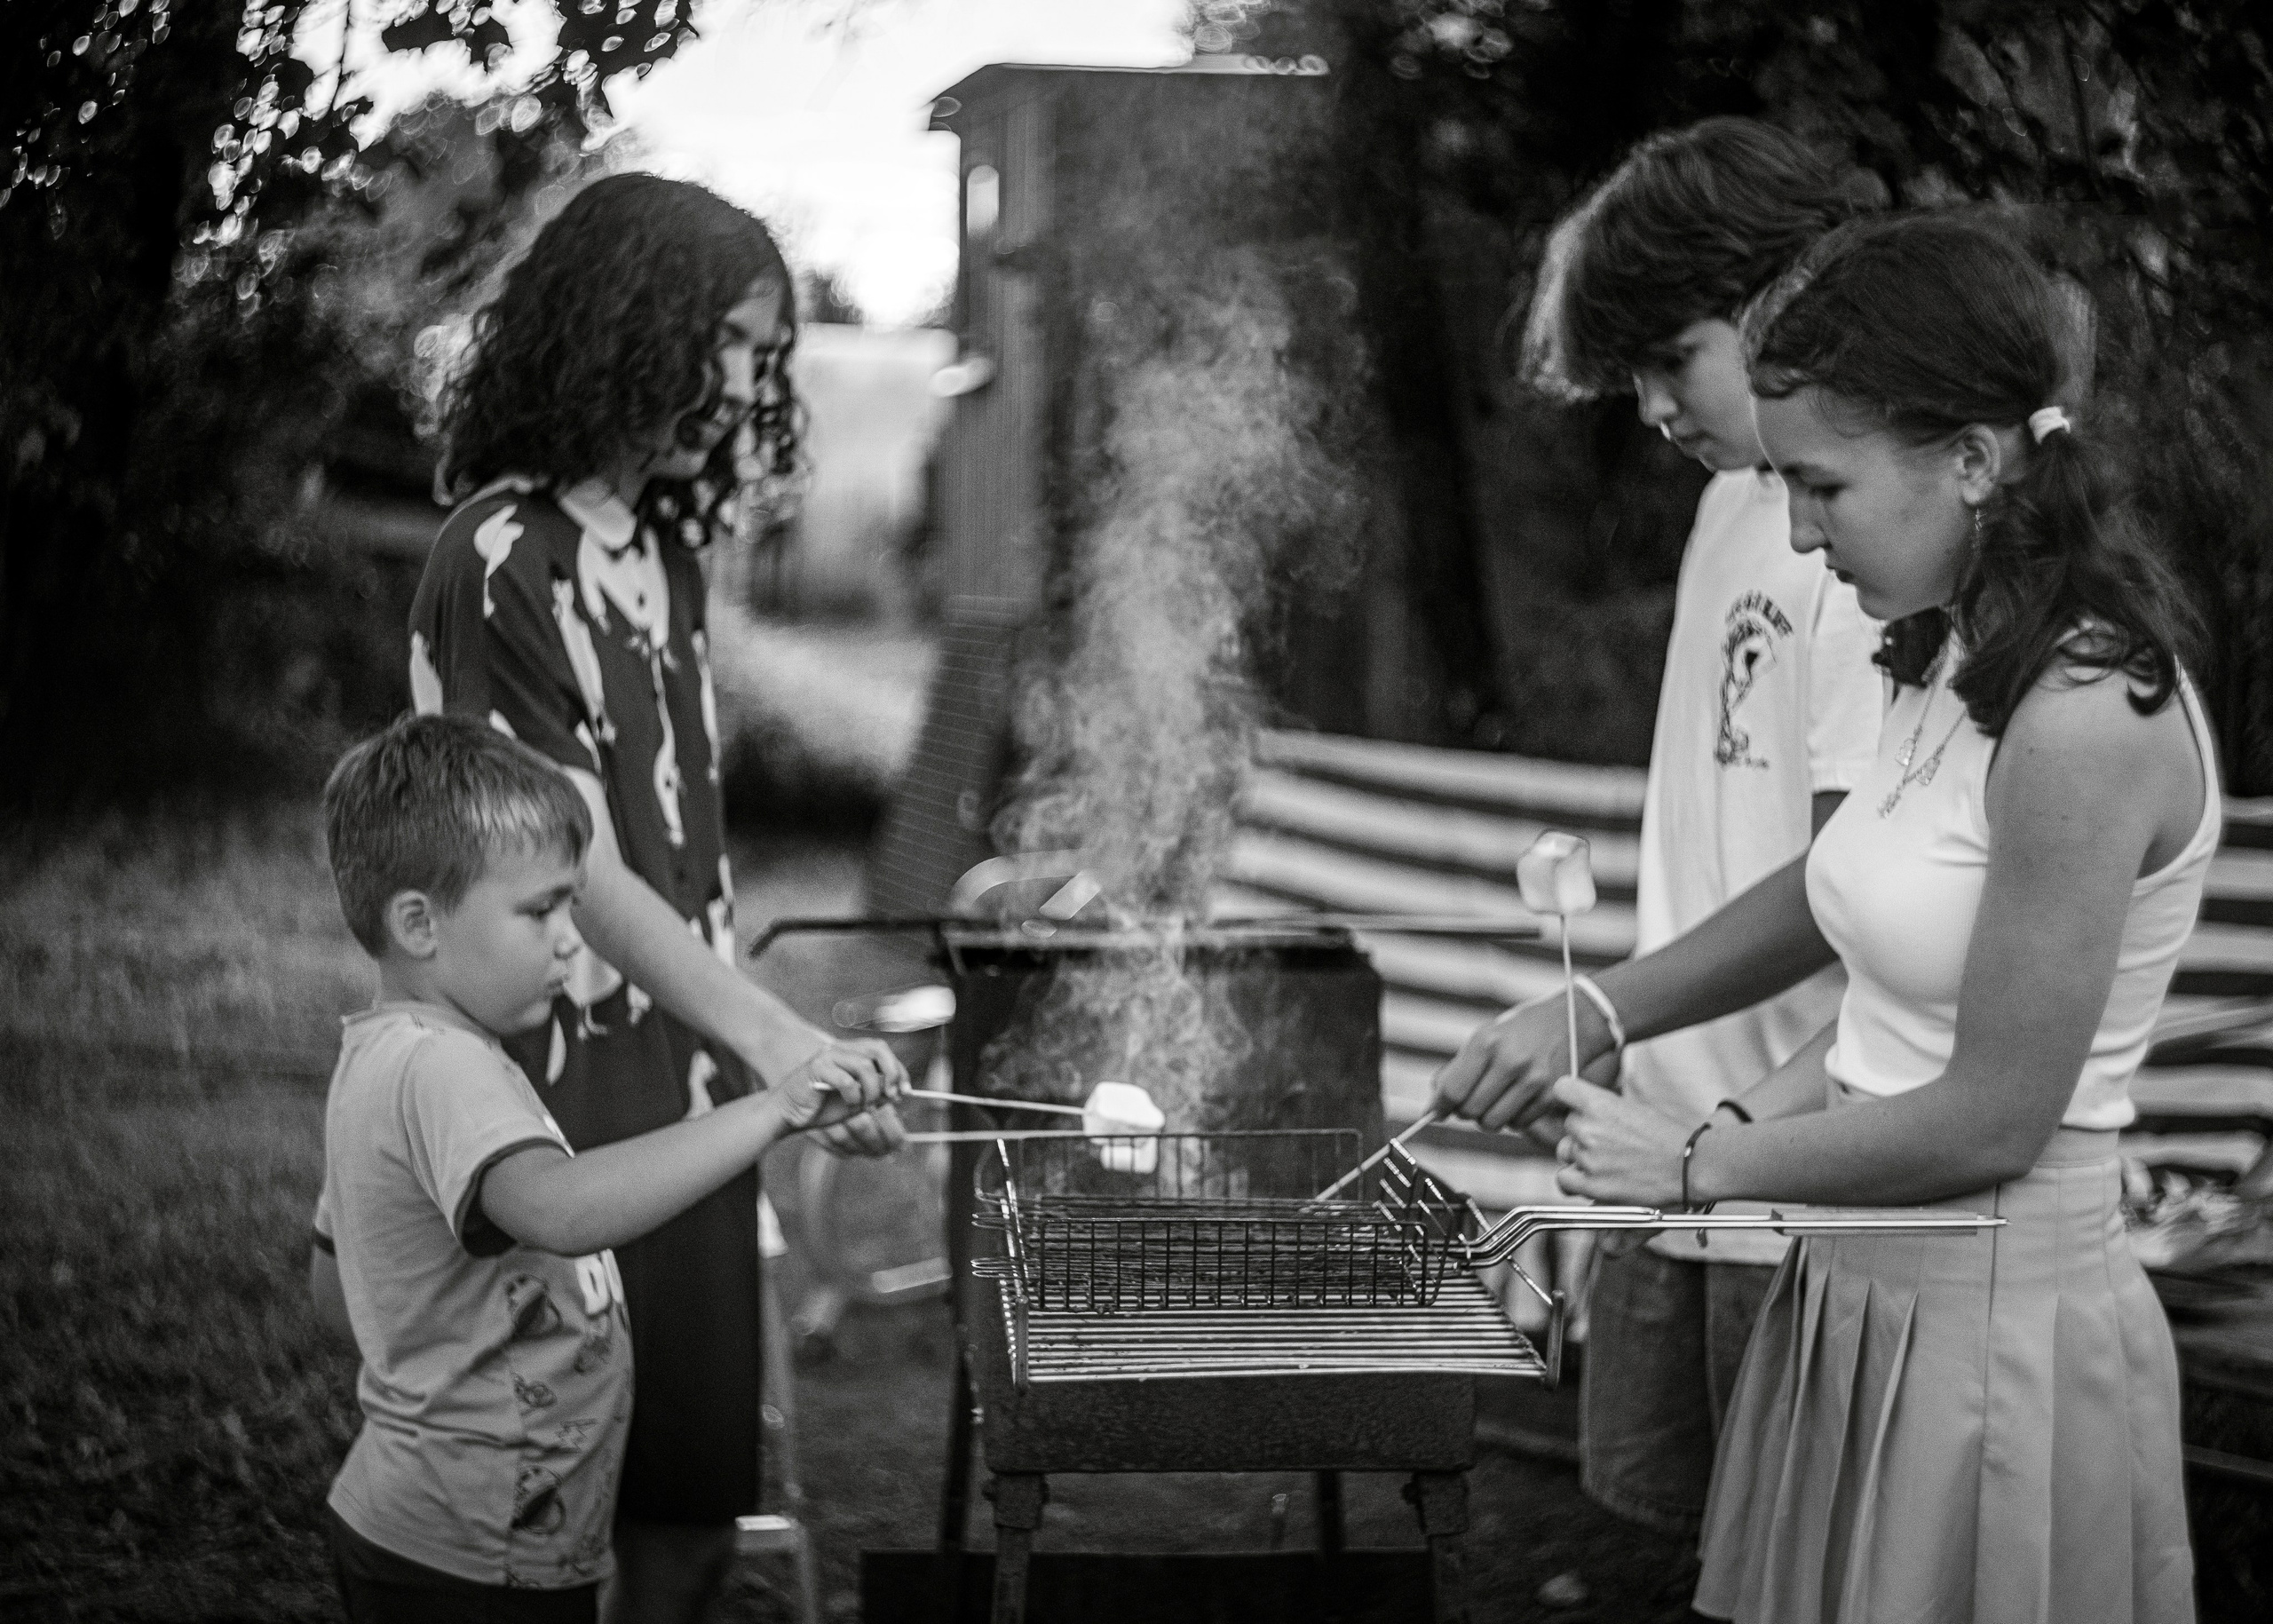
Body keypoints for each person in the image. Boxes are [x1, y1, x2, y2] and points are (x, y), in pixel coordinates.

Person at [1552, 213, 2210, 1623]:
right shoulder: (1949, 653)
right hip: (1853, 1301)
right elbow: (1883, 1016)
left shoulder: (2086, 717)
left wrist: (1692, 1168)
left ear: (1973, 460)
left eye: (1825, 489)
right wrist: (1718, 1125)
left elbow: (1991, 1118)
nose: (1797, 531)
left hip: (1993, 1343)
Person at [408, 173, 908, 1622]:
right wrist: (784, 1042)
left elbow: (688, 864)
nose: (756, 382)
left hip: (693, 1087)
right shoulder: (498, 558)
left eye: (769, 351)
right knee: (538, 1535)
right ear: (636, 327)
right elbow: (582, 872)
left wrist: (771, 1060)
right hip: (552, 1094)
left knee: (687, 1514)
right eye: (734, 342)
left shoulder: (668, 553)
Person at [1432, 118, 1885, 1537]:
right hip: (1664, 1144)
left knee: (1791, 1560)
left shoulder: (1863, 538)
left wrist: (1598, 1010)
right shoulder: (1729, 512)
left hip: (1795, 1161)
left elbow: (1847, 880)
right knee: (1685, 1545)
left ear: (1783, 298)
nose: (1648, 407)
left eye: (1670, 357)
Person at [308, 715, 899, 1621]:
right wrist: (774, 1106)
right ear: (419, 922)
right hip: (470, 1557)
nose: (567, 939)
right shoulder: (445, 1067)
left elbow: (332, 1282)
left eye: (569, 906)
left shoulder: (393, 1054)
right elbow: (563, 1207)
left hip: (455, 1532)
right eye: (538, 910)